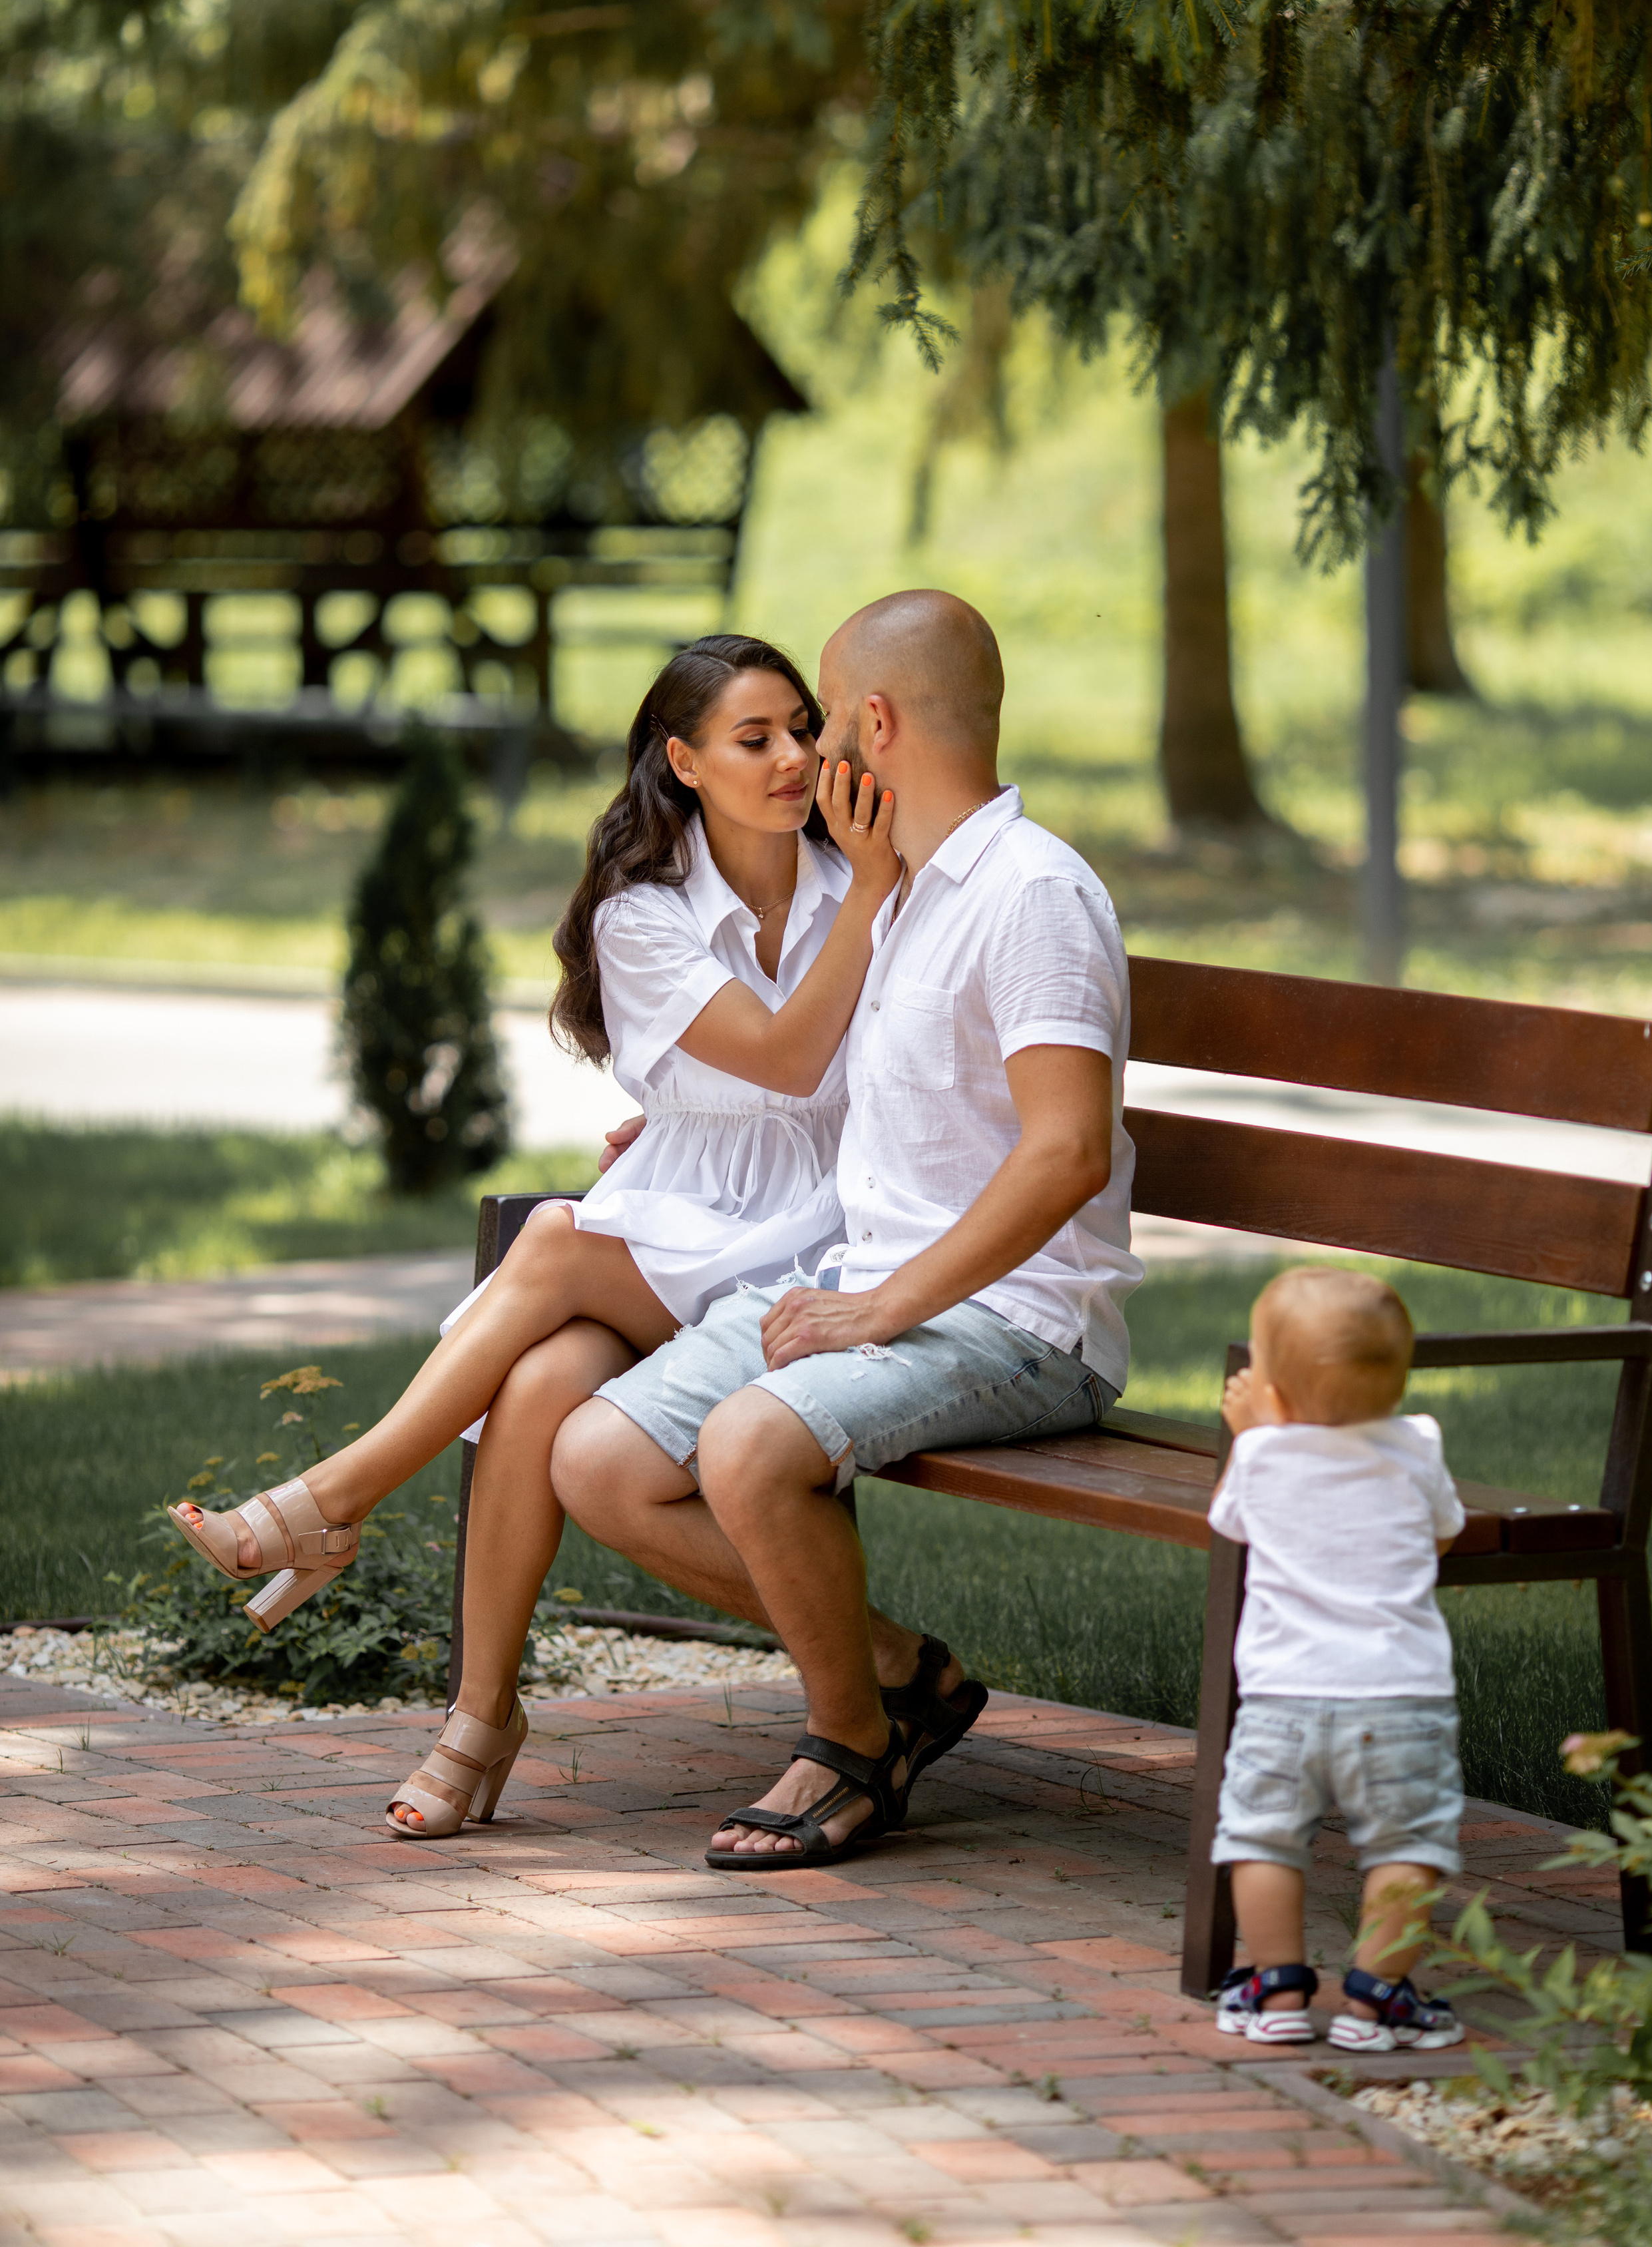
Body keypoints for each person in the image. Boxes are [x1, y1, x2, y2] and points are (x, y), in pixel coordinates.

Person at [166, 631, 929, 1835]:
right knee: (536, 1388)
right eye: (754, 739)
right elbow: (778, 1066)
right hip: (692, 1224)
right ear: (683, 762)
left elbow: (806, 1069)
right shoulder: (644, 914)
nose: (793, 758)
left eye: (802, 731)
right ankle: (479, 1720)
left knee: (560, 1245)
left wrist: (878, 890)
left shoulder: (872, 878)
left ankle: (336, 1507)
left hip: (818, 1235)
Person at [540, 587, 1146, 1871]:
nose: (807, 752)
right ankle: (900, 1680)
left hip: (1023, 1324)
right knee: (597, 1461)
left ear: (873, 723)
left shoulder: (1029, 895)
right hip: (879, 1287)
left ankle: (847, 1745)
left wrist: (883, 1309)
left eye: (819, 720)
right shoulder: (911, 890)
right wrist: (677, 1126)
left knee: (752, 1443)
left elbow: (1066, 1152)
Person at [1209, 1266, 1468, 2053]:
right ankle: (1375, 1999)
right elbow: (1442, 1533)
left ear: (1275, 1392)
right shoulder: (1417, 1443)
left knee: (1261, 1837)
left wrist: (1256, 1436)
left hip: (1283, 1699)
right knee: (1405, 1847)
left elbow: (1230, 1525)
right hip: (1400, 1698)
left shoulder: (1259, 1456)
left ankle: (1278, 1988)